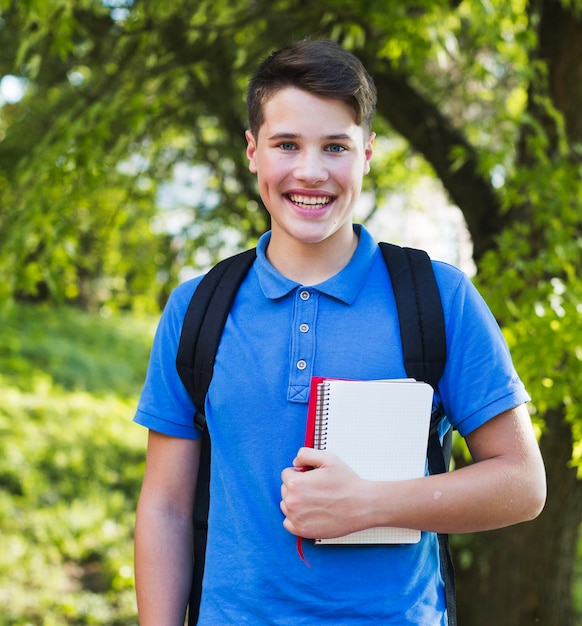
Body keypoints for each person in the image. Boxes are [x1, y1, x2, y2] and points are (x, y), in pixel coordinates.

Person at [133, 39, 546, 625]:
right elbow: (166, 508)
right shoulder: (196, 308)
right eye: (286, 145)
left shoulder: (439, 299)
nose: (310, 171)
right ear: (253, 151)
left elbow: (523, 484)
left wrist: (370, 503)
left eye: (335, 146)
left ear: (367, 154)